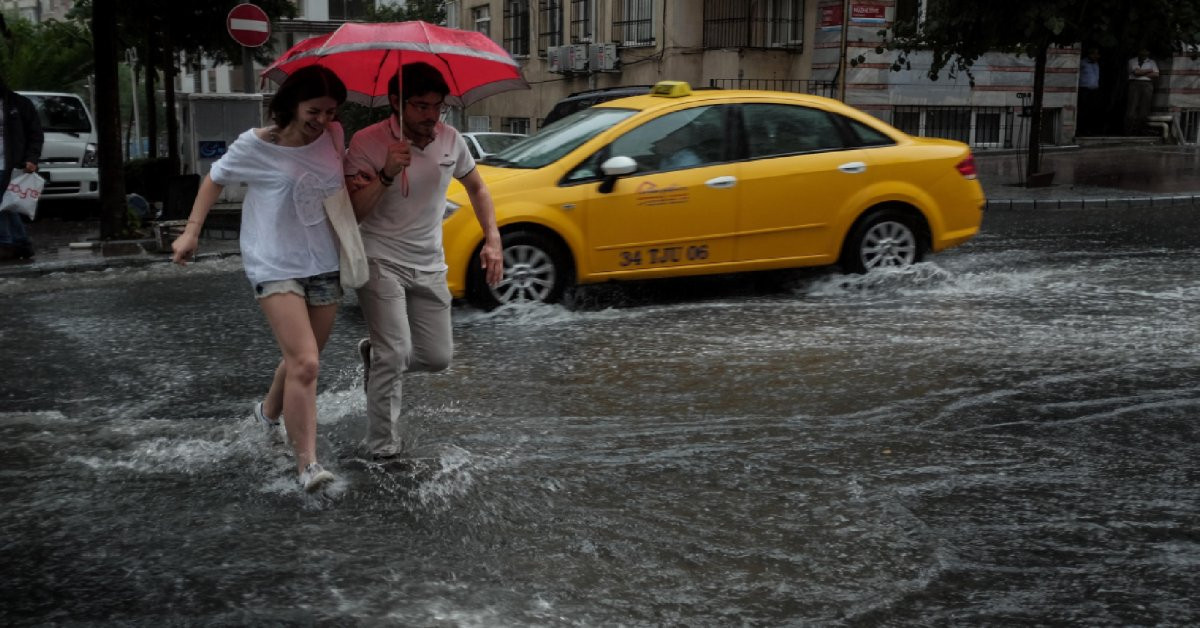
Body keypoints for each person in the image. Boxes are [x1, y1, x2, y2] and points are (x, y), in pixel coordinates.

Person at [171, 65, 349, 493]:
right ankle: (307, 464)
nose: (322, 121)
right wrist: (192, 230)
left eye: (330, 111)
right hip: (273, 264)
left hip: (323, 261)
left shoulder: (334, 137)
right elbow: (213, 180)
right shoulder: (256, 144)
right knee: (306, 363)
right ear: (291, 104)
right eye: (314, 111)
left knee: (298, 361)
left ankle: (268, 413)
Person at [344, 62, 503, 459]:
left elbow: (478, 188)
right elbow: (353, 213)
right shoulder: (365, 143)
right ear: (395, 103)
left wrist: (493, 239)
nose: (431, 115)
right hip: (379, 257)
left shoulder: (452, 140)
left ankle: (377, 355)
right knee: (396, 352)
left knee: (436, 357)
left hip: (430, 262)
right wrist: (385, 173)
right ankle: (382, 448)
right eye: (419, 106)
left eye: (437, 106)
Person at [0, 76, 43, 261]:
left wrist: (31, 158)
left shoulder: (19, 104)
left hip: (11, 163)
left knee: (4, 203)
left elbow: (35, 133)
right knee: (6, 203)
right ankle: (20, 243)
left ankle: (8, 242)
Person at [1124, 48, 1159, 135]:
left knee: (1145, 109)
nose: (1144, 52)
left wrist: (1141, 72)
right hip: (1134, 84)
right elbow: (1136, 73)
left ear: (1148, 52)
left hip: (1147, 84)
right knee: (1132, 107)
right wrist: (1149, 71)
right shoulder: (1132, 61)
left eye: (1146, 50)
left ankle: (1141, 130)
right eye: (1142, 50)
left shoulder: (1152, 62)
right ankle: (1129, 131)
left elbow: (1156, 74)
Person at [1077, 47, 1101, 136]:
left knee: (1092, 110)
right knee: (1083, 110)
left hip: (1094, 90)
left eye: (1097, 54)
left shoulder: (1096, 64)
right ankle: (1081, 130)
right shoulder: (1082, 63)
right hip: (1084, 90)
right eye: (1094, 54)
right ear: (1090, 54)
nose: (1097, 56)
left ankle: (1089, 130)